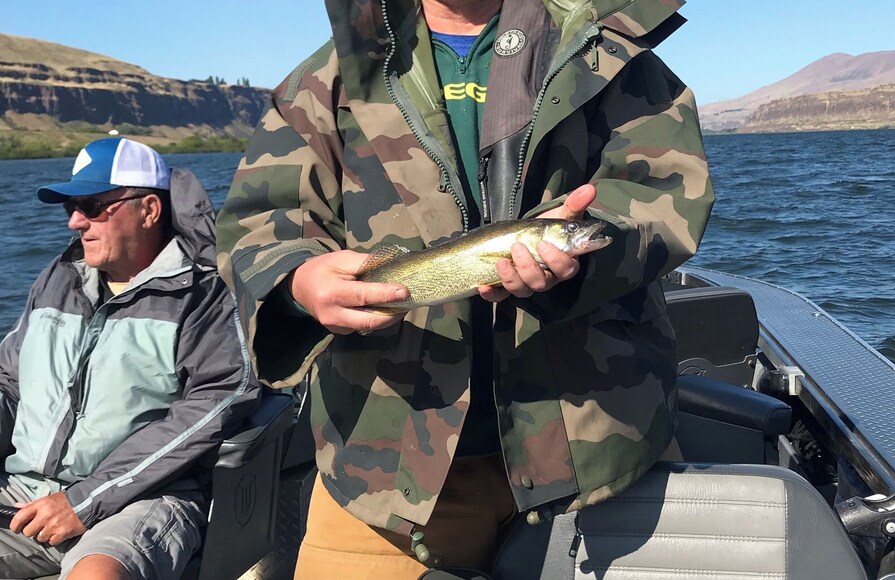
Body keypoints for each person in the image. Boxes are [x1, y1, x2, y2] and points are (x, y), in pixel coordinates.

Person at [216, 0, 714, 576]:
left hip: (602, 450)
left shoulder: (611, 51)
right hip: (384, 477)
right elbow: (258, 225)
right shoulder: (324, 82)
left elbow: (666, 193)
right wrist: (300, 281)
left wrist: (584, 256)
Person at [0, 137, 260, 580]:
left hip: (141, 501)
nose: (76, 222)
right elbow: (9, 384)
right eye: (70, 207)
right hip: (27, 494)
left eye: (94, 205)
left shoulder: (204, 295)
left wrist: (85, 500)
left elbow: (221, 397)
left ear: (149, 210)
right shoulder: (55, 281)